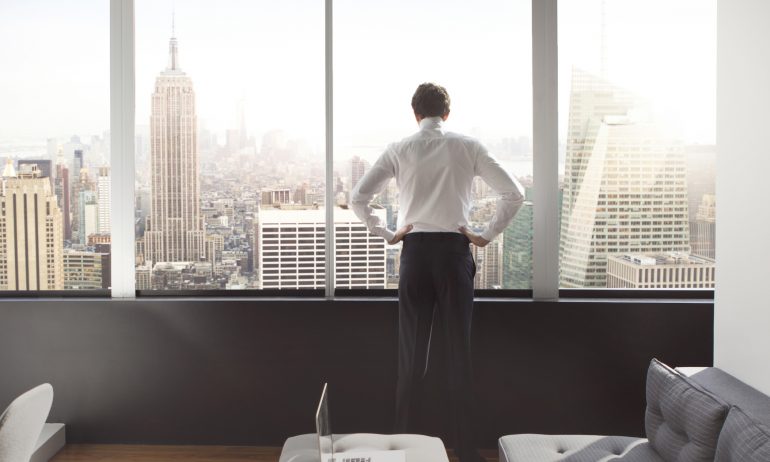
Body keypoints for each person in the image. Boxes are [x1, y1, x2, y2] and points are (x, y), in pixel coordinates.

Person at [350, 83, 524, 462]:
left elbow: (357, 198)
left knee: (411, 359)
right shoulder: (468, 146)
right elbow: (514, 194)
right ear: (447, 113)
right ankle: (465, 452)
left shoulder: (400, 149)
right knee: (458, 354)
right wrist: (485, 235)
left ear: (415, 114)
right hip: (453, 253)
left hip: (414, 254)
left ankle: (401, 451)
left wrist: (387, 233)